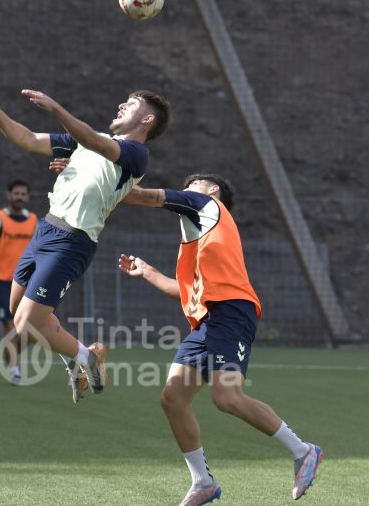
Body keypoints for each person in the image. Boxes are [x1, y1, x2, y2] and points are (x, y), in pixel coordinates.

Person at [118, 174, 322, 504]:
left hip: (231, 313)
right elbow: (185, 292)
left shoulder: (207, 204)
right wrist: (148, 272)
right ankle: (203, 482)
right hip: (208, 323)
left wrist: (96, 177)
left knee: (227, 397)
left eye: (192, 184)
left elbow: (144, 196)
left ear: (212, 192)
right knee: (173, 397)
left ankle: (304, 451)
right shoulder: (200, 237)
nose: (185, 190)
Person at [0, 88, 170, 402]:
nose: (121, 103)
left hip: (72, 242)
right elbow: (26, 138)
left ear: (146, 120)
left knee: (25, 324)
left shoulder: (136, 154)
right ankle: (82, 357)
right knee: (17, 311)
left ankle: (85, 358)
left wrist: (57, 109)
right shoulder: (89, 142)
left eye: (131, 104)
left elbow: (94, 141)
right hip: (45, 229)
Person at [0, 179, 38, 385]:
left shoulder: (33, 220)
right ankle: (14, 367)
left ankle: (10, 356)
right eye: (16, 193)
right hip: (2, 280)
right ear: (9, 195)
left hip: (28, 280)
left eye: (23, 194)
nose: (19, 197)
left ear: (28, 197)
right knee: (10, 325)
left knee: (31, 328)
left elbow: (37, 251)